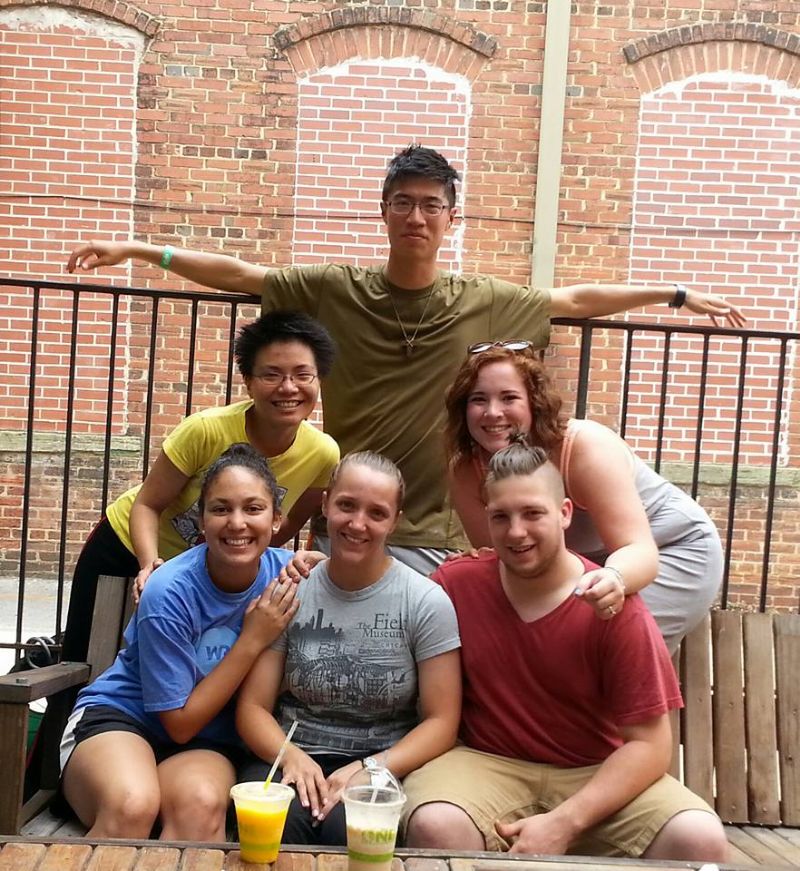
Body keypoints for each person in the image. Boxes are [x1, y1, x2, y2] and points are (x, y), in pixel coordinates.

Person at [67, 145, 745, 575]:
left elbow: (573, 300)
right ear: (384, 212)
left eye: (430, 205)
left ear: (451, 218)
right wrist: (140, 250)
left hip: (436, 530)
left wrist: (675, 294)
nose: (416, 216)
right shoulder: (336, 288)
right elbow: (243, 275)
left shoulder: (483, 300)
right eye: (403, 203)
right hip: (353, 515)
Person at [402, 442, 728, 863]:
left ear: (565, 513)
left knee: (699, 838)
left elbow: (650, 745)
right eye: (501, 516)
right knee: (435, 824)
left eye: (532, 513)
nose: (516, 532)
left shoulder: (611, 603)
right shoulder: (456, 585)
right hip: (485, 763)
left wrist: (565, 822)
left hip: (593, 770)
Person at [61, 310, 339, 662]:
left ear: (319, 380)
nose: (288, 387)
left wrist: (243, 562)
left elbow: (281, 528)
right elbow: (147, 504)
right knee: (84, 659)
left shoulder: (323, 454)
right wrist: (150, 565)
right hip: (129, 548)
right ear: (248, 382)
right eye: (271, 374)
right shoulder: (205, 430)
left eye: (302, 375)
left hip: (209, 573)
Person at [58, 443, 300, 840]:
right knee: (132, 805)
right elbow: (180, 724)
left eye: (253, 508)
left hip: (208, 741)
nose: (237, 523)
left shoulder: (288, 577)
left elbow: (347, 577)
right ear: (201, 521)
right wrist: (252, 639)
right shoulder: (170, 590)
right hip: (124, 719)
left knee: (200, 805)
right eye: (220, 509)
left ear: (276, 519)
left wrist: (322, 563)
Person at [235, 451, 461, 846]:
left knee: (351, 831)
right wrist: (291, 757)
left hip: (384, 760)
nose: (358, 523)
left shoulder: (424, 602)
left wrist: (371, 767)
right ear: (325, 505)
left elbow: (442, 721)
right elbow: (252, 707)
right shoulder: (292, 591)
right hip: (291, 751)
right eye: (346, 505)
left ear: (396, 520)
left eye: (377, 513)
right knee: (277, 824)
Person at [443, 344, 723, 651]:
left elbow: (638, 548)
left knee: (603, 646)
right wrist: (471, 568)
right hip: (587, 565)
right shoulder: (466, 471)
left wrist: (615, 576)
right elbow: (510, 559)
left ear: (534, 402)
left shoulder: (583, 448)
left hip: (670, 550)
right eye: (479, 399)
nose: (493, 412)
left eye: (509, 398)